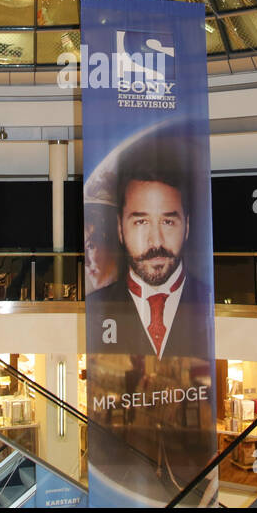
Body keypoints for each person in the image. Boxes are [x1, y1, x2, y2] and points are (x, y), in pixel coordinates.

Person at [85, 154, 210, 360]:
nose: (156, 242)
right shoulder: (96, 309)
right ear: (119, 228)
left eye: (167, 222)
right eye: (141, 222)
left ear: (186, 227)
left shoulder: (208, 302)